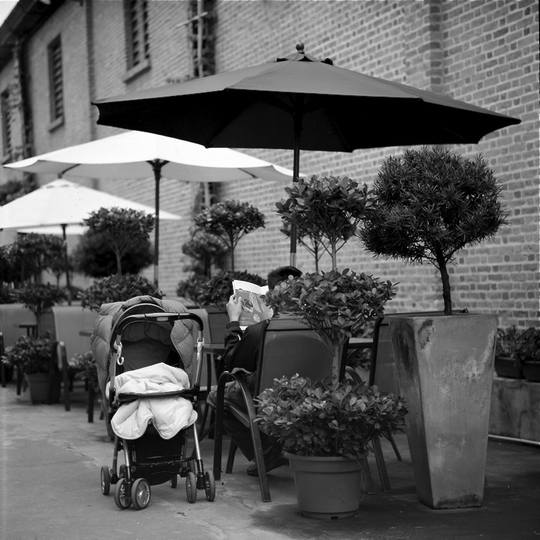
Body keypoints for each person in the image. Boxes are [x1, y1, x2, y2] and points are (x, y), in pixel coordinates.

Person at [208, 265, 302, 476]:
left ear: (272, 297)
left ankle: (267, 454)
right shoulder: (324, 326)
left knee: (217, 395)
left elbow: (232, 364)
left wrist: (234, 321)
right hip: (311, 397)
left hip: (268, 399)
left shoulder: (262, 330)